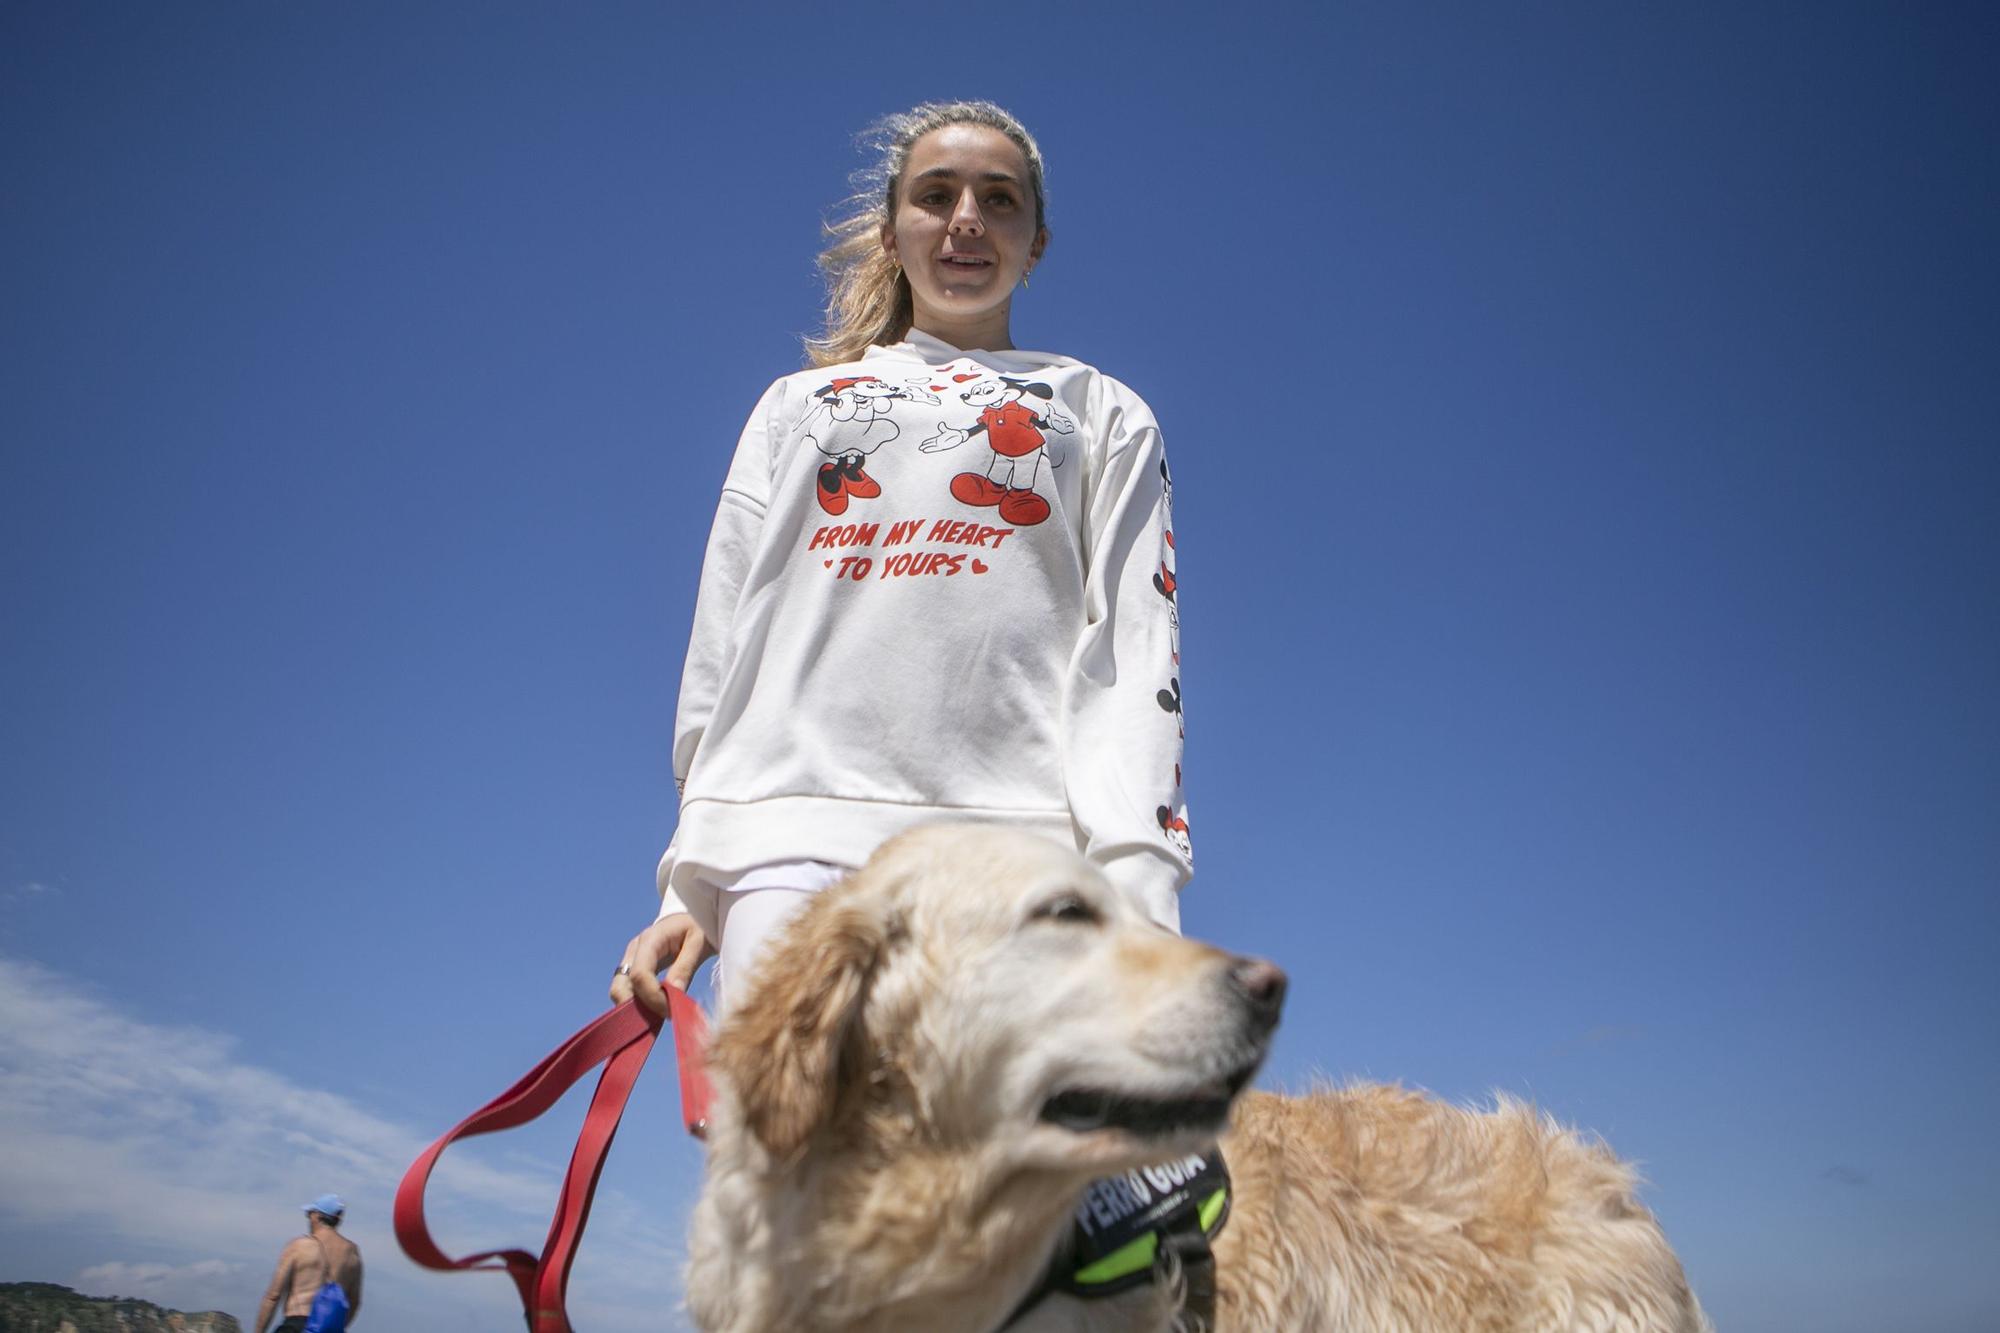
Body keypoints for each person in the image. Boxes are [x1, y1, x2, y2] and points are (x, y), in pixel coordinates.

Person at [611, 99, 1190, 1020]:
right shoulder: (797, 404)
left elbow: (1135, 656)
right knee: (789, 1158)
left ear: (1036, 243)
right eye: (937, 195)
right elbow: (724, 650)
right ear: (892, 233)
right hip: (788, 841)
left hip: (1017, 858)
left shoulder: (1104, 411)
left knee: (986, 1166)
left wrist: (1141, 899)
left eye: (1000, 200)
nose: (967, 218)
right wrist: (690, 882)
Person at [252, 1193, 363, 1333]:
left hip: (298, 1324)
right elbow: (354, 1302)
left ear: (317, 1216)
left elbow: (273, 1296)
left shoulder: (299, 1246)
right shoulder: (352, 1253)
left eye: (308, 1213)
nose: (308, 1218)